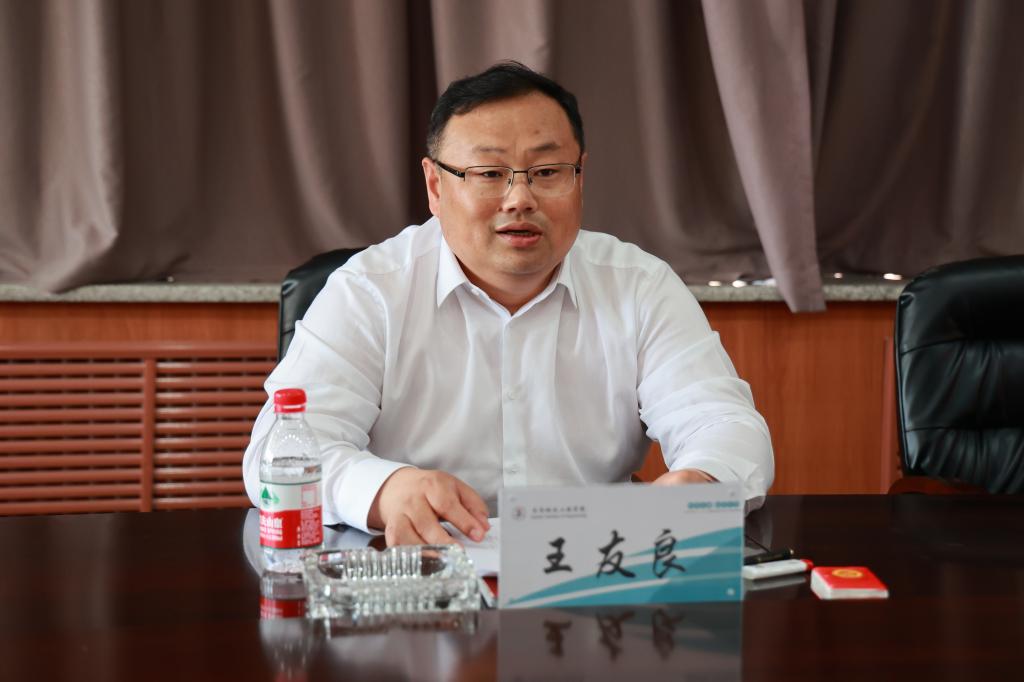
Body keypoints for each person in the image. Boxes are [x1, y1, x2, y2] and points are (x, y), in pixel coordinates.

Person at [243, 61, 773, 547]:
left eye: (547, 172)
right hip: (419, 579)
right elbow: (281, 450)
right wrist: (386, 490)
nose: (520, 199)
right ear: (435, 186)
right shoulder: (370, 290)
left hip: (589, 579)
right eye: (489, 174)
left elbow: (722, 423)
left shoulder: (639, 286)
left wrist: (701, 480)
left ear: (579, 177)